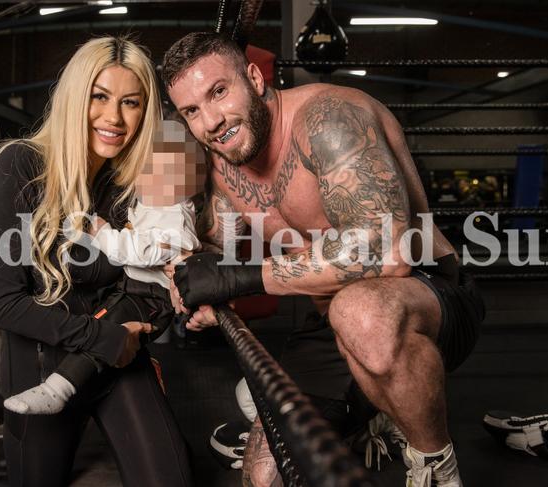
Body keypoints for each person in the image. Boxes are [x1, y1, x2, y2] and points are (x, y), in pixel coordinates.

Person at [161, 32, 485, 487]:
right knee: (263, 476)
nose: (211, 120)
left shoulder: (328, 120)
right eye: (191, 111)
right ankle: (376, 406)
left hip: (427, 295)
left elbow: (387, 251)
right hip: (330, 322)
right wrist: (193, 284)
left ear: (254, 78)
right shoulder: (223, 165)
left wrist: (236, 279)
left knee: (361, 313)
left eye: (218, 92)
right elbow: (213, 250)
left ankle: (435, 465)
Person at [0, 36, 193, 487]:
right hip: (43, 369)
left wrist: (183, 272)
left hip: (119, 359)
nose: (114, 118)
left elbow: (146, 282)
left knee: (171, 477)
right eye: (99, 97)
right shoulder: (20, 166)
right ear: (74, 97)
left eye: (131, 102)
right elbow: (3, 304)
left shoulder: (128, 184)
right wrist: (103, 337)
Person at [2, 120, 204, 415]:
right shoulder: (153, 202)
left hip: (150, 297)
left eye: (164, 172)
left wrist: (105, 234)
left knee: (106, 333)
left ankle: (57, 390)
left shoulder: (175, 212)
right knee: (103, 330)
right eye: (148, 169)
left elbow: (146, 251)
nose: (150, 178)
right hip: (135, 289)